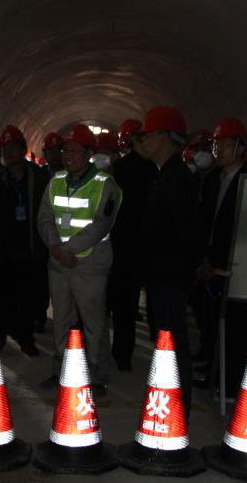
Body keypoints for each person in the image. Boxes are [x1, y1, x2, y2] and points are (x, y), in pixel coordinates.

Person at [37, 123, 121, 397]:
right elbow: (45, 218)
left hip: (90, 264)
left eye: (75, 150)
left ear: (89, 154)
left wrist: (67, 249)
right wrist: (55, 247)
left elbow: (100, 225)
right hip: (59, 265)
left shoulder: (104, 184)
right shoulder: (56, 180)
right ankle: (61, 370)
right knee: (61, 320)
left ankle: (97, 374)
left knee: (93, 322)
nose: (68, 155)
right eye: (65, 150)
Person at [136, 106, 199, 419]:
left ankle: (176, 411)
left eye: (148, 135)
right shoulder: (167, 174)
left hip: (169, 277)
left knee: (172, 344)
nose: (144, 141)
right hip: (163, 275)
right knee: (168, 344)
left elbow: (185, 231)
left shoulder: (175, 178)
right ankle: (170, 406)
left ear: (163, 137)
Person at [195, 118, 247, 397]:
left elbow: (242, 229)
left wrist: (218, 260)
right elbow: (206, 222)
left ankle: (231, 383)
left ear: (240, 148)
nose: (218, 150)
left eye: (225, 144)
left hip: (237, 266)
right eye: (216, 145)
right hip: (212, 264)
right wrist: (205, 258)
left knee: (235, 328)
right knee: (212, 323)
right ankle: (213, 374)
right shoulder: (213, 180)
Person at [107, 118, 158, 371]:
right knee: (126, 305)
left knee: (109, 303)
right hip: (136, 247)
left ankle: (101, 354)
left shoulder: (118, 169)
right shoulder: (153, 171)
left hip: (116, 245)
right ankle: (123, 355)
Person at [0, 125, 48, 356]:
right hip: (4, 250)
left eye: (13, 147)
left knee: (28, 299)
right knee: (2, 299)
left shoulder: (38, 179)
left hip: (30, 249)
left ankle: (26, 339)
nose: (8, 152)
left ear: (23, 149)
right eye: (4, 148)